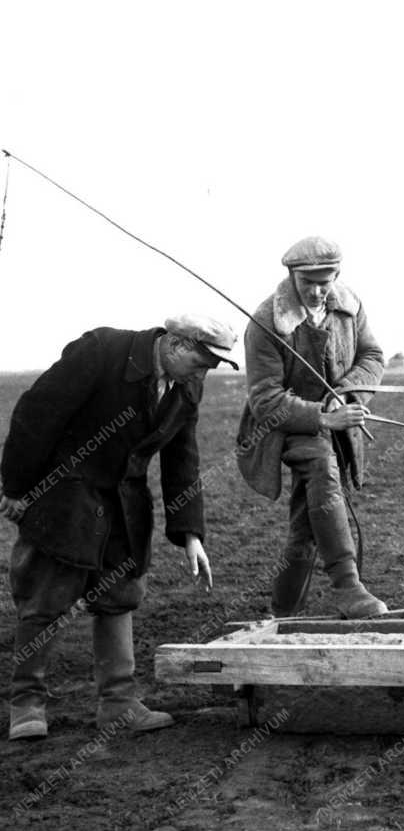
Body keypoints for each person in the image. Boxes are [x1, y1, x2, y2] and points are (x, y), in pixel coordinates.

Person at [1, 315, 237, 741]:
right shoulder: (102, 351)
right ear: (176, 345)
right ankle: (27, 702)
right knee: (46, 599)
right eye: (203, 361)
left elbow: (183, 458)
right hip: (66, 494)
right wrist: (17, 488)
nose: (207, 372)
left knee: (119, 596)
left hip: (124, 504)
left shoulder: (187, 387)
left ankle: (119, 703)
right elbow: (36, 413)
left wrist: (191, 534)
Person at [237, 235, 387, 620]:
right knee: (321, 464)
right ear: (292, 278)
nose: (319, 292)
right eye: (309, 284)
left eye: (327, 282)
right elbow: (265, 399)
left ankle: (284, 611)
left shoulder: (350, 307)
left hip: (334, 419)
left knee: (308, 522)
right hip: (282, 428)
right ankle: (347, 586)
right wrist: (322, 418)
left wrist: (346, 393)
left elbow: (372, 356)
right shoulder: (265, 322)